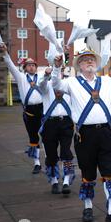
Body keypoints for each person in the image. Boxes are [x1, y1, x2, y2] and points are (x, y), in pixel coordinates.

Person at [52, 48, 111, 222]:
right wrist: (57, 68)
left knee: (109, 171)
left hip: (105, 133)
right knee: (88, 173)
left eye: (92, 59)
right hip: (84, 135)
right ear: (79, 65)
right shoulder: (71, 83)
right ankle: (88, 207)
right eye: (85, 59)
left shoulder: (106, 81)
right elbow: (55, 85)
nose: (89, 61)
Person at [0, 43, 43, 174]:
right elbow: (10, 65)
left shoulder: (41, 76)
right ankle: (37, 163)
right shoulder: (21, 77)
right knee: (33, 137)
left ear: (36, 67)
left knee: (47, 135)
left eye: (33, 65)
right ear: (25, 68)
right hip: (29, 111)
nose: (31, 66)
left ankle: (49, 159)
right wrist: (5, 53)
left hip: (43, 109)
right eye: (29, 65)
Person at [38, 66, 75, 195]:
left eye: (60, 70)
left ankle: (65, 181)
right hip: (50, 124)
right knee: (51, 154)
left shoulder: (69, 85)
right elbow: (40, 84)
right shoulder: (46, 85)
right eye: (56, 71)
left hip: (66, 122)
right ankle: (54, 181)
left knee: (66, 151)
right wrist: (46, 75)